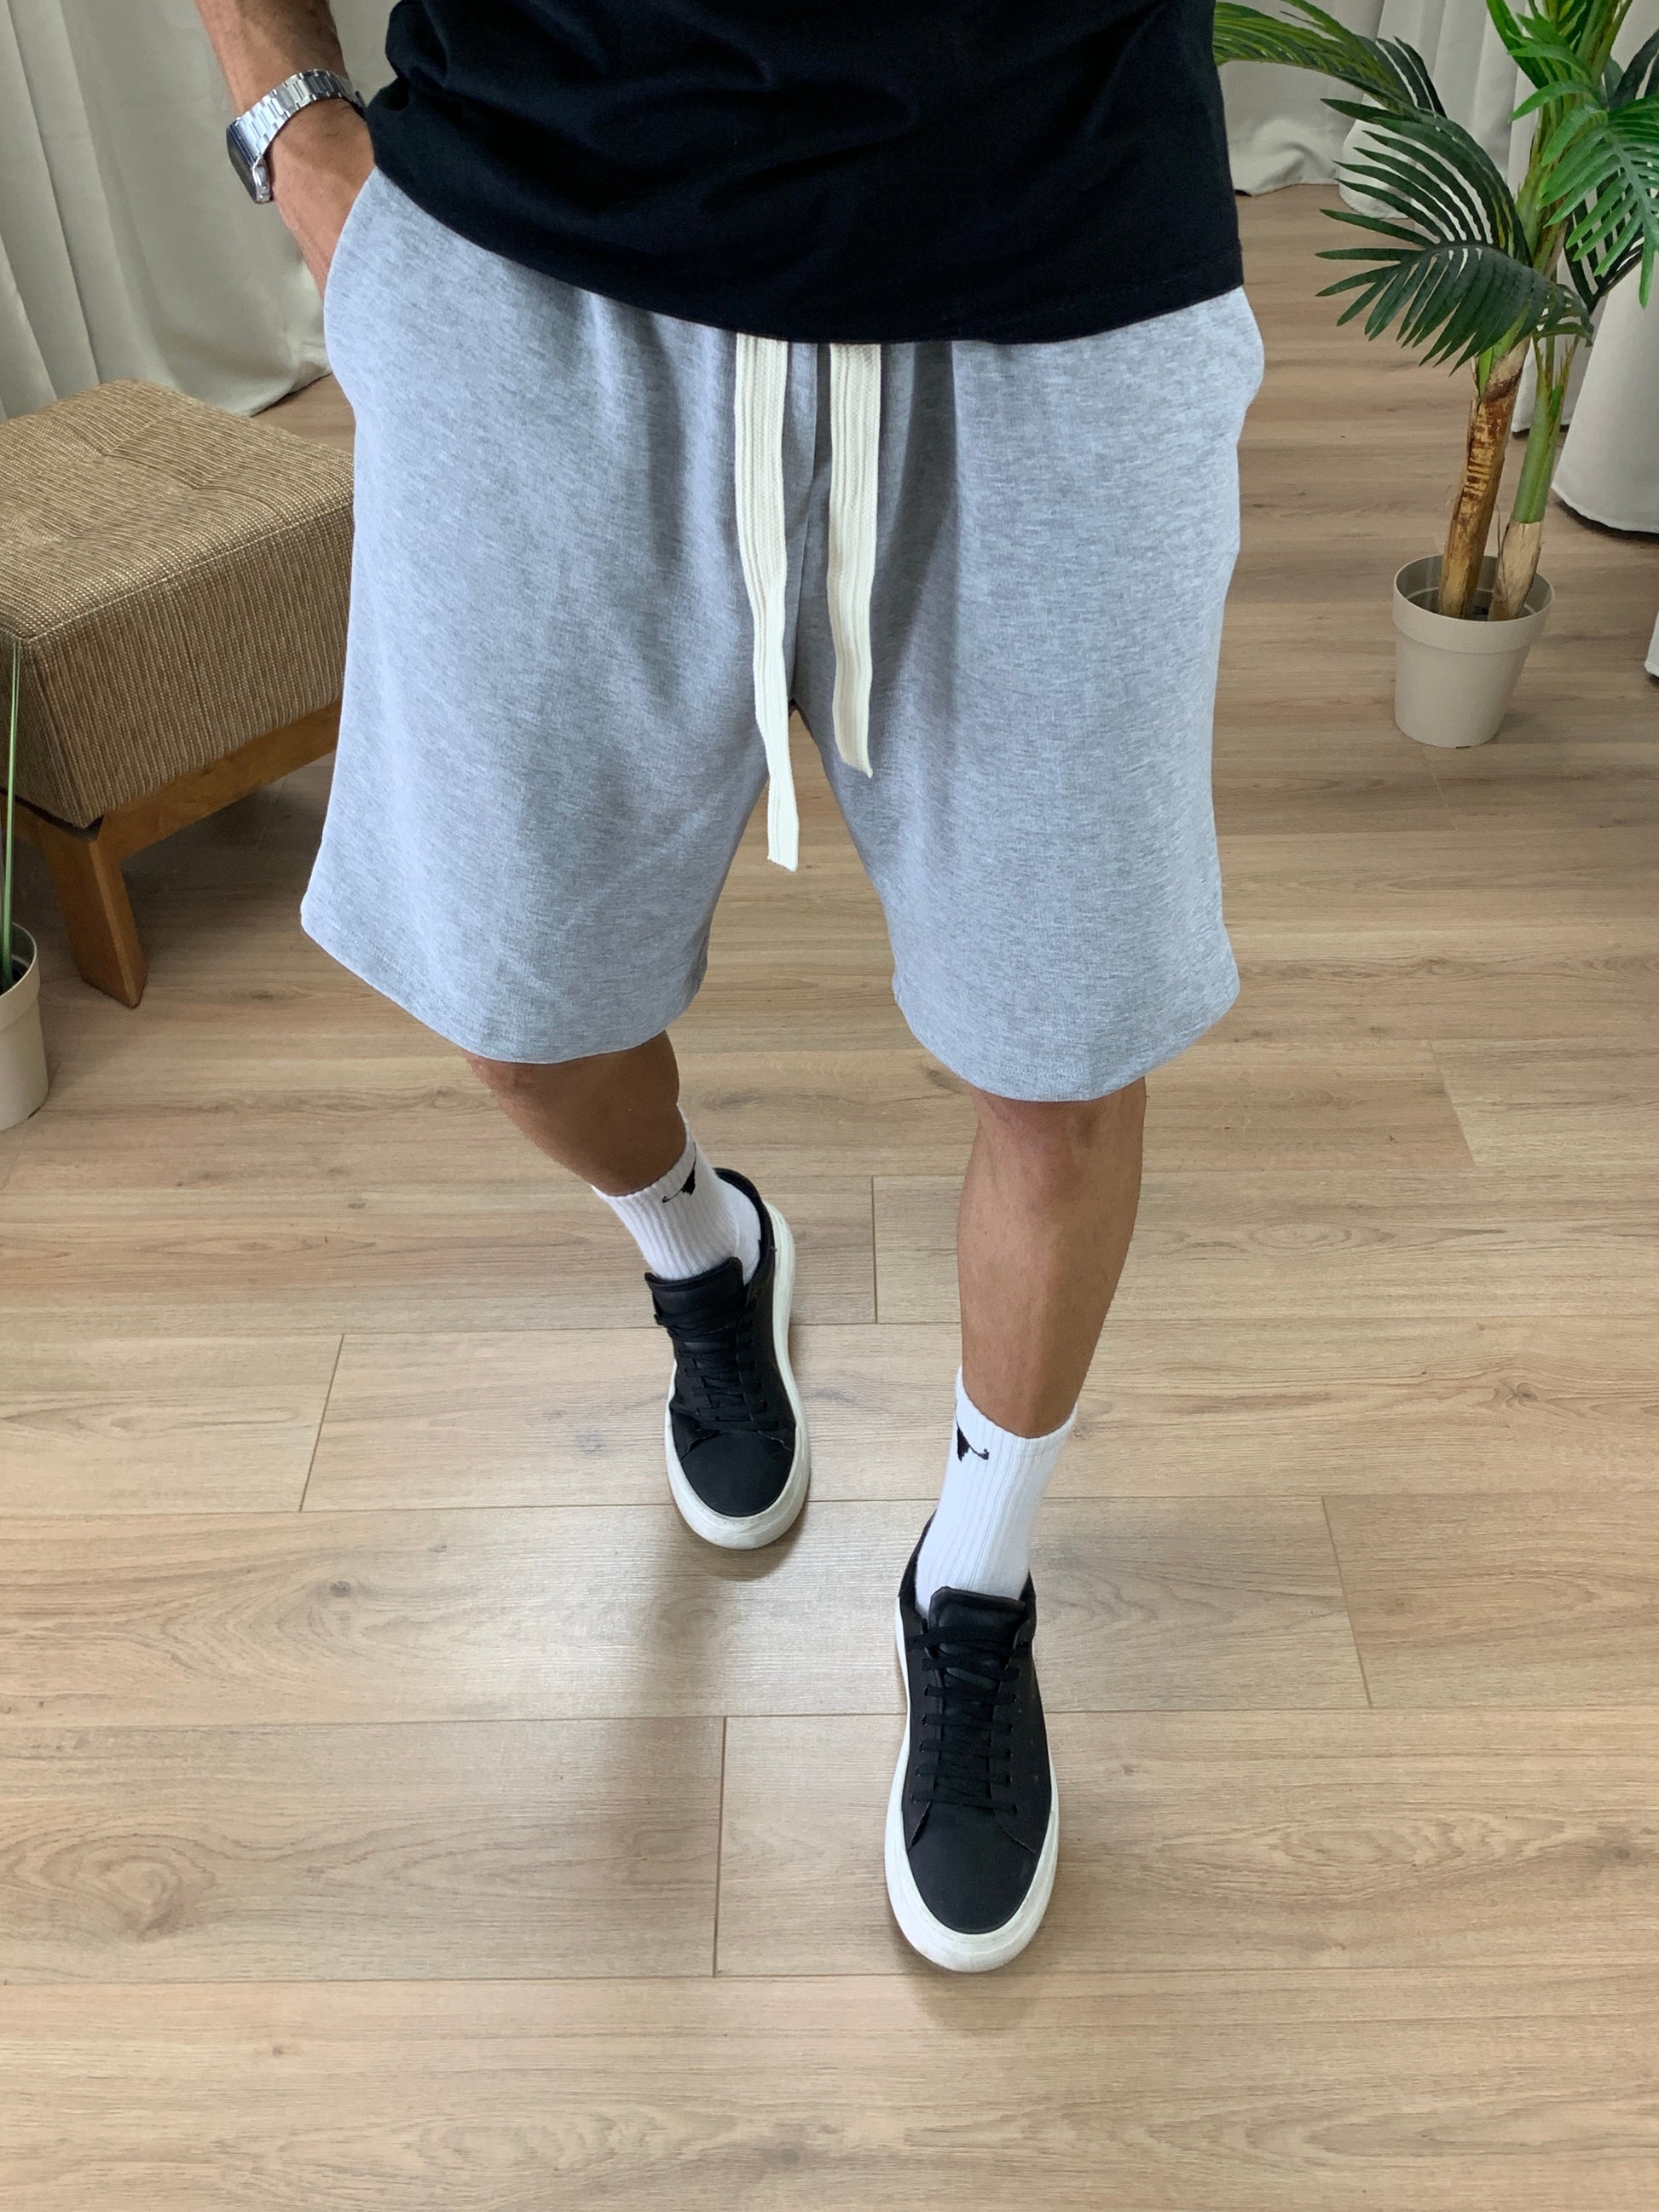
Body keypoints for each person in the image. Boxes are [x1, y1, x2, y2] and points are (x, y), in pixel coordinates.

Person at [194, 0, 1261, 1973]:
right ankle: (703, 1247)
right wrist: (292, 127)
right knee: (518, 1005)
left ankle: (973, 1581)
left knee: (1064, 1058)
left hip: (1058, 258)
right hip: (539, 240)